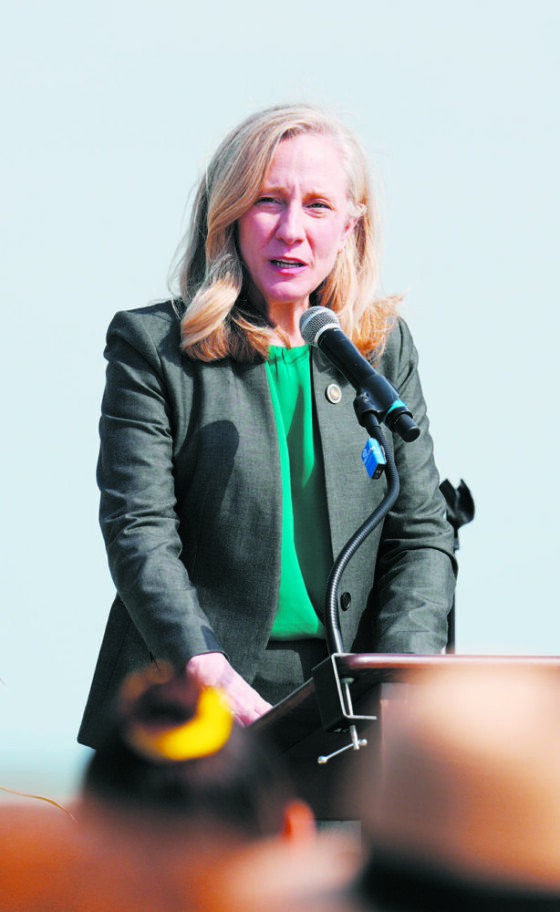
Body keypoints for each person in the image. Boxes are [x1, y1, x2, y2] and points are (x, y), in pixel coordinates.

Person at [79, 103, 456, 748]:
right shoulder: (153, 347)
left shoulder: (382, 351)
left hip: (350, 703)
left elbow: (421, 534)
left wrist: (400, 679)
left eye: (317, 206)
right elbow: (139, 533)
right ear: (227, 215)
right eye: (267, 201)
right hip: (191, 698)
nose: (291, 230)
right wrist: (210, 675)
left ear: (350, 227)